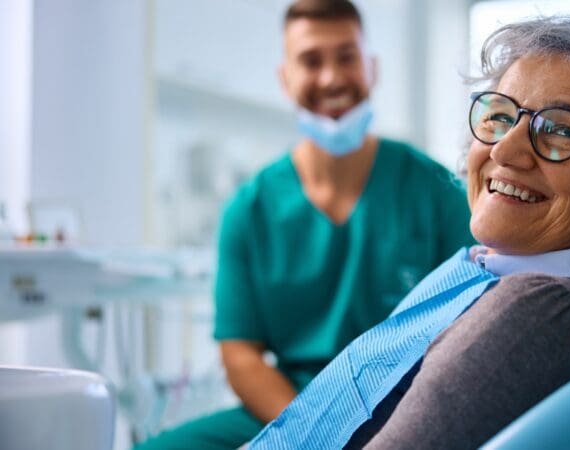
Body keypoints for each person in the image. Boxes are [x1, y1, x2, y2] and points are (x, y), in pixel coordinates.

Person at [247, 15, 570, 449]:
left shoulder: (542, 309)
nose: (505, 149)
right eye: (499, 116)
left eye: (560, 130)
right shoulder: (507, 281)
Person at [133, 1, 473, 449]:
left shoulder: (435, 190)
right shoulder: (250, 210)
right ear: (285, 78)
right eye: (311, 61)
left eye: (347, 57)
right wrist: (311, 431)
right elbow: (241, 354)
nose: (331, 77)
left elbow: (473, 321)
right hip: (292, 405)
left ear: (372, 68)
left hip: (407, 402)